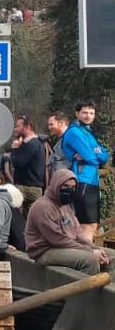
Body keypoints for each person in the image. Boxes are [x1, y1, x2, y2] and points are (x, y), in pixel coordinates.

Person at [26, 171, 114, 276]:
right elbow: (58, 240)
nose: (69, 190)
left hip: (66, 246)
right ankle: (86, 291)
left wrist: (94, 248)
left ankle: (107, 289)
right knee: (90, 260)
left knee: (112, 256)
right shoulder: (43, 207)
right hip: (45, 251)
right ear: (56, 185)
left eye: (73, 187)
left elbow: (78, 233)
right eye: (65, 186)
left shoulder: (65, 206)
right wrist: (90, 252)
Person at [59, 101, 109, 243]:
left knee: (91, 224)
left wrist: (96, 154)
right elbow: (91, 157)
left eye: (91, 113)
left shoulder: (88, 132)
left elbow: (104, 156)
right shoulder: (75, 132)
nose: (88, 116)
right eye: (85, 112)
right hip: (82, 180)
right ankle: (86, 256)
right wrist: (95, 154)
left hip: (91, 180)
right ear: (77, 113)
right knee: (86, 224)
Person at [6, 114, 46, 209]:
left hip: (28, 187)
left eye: (18, 126)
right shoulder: (31, 143)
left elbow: (18, 163)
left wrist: (14, 149)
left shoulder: (32, 144)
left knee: (13, 211)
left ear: (27, 127)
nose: (15, 129)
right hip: (30, 187)